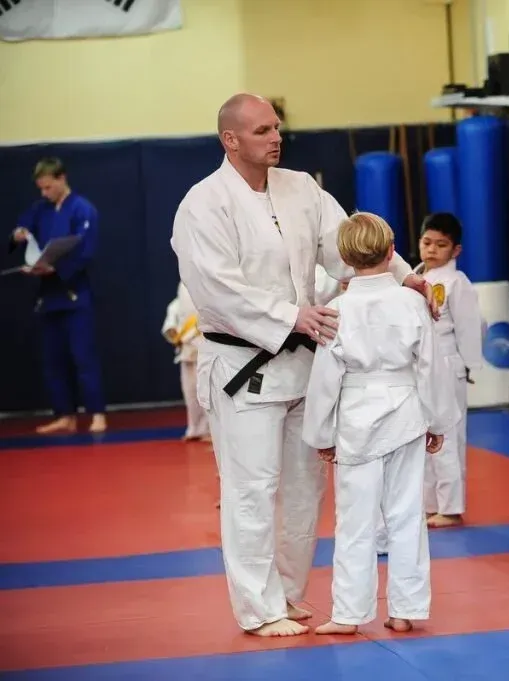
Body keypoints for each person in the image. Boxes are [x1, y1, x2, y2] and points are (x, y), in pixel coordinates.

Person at [170, 93, 430, 638]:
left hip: (302, 361)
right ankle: (258, 607)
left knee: (304, 487)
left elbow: (349, 246)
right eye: (263, 130)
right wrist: (292, 315)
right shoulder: (203, 204)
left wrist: (405, 276)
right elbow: (216, 289)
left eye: (277, 128)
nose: (276, 137)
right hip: (243, 364)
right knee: (250, 489)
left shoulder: (301, 188)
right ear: (230, 139)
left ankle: (288, 592)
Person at [302, 212, 458, 636]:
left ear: (344, 259)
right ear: (392, 254)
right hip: (407, 412)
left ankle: (349, 613)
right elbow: (430, 368)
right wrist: (438, 421)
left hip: (355, 418)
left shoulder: (336, 309)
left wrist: (320, 433)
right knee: (407, 514)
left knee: (355, 520)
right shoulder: (413, 303)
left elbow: (325, 379)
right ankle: (405, 609)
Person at [9, 158, 106, 434]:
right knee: (54, 360)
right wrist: (19, 234)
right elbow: (22, 227)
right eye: (41, 188)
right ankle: (65, 415)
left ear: (62, 178)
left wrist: (56, 268)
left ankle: (97, 413)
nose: (44, 193)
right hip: (48, 296)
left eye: (48, 187)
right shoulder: (40, 209)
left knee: (82, 357)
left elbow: (85, 251)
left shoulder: (82, 209)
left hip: (75, 294)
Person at [414, 212, 483, 529]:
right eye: (427, 242)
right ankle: (430, 504)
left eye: (441, 245)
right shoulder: (414, 277)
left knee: (449, 436)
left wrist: (469, 364)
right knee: (423, 437)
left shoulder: (457, 283)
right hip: (419, 366)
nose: (431, 250)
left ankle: (452, 506)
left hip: (448, 364)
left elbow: (472, 327)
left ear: (455, 250)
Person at [161, 282, 210, 442]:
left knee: (208, 390)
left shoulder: (208, 278)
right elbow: (175, 307)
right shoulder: (183, 283)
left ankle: (210, 430)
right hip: (186, 346)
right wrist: (171, 326)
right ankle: (194, 427)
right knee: (190, 390)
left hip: (205, 343)